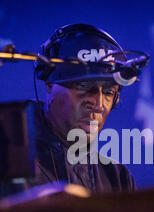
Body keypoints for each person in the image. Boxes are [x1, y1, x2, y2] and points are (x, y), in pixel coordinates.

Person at [32, 24, 139, 193]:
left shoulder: (118, 179)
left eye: (109, 92)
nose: (97, 103)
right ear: (49, 83)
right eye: (83, 85)